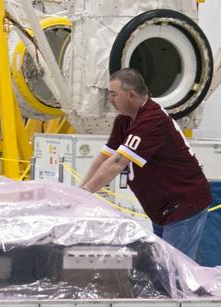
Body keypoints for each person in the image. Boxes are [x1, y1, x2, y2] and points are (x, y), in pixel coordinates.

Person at [79, 68, 212, 259]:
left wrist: (86, 193)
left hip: (183, 204)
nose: (111, 100)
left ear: (130, 95)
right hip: (162, 208)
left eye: (114, 94)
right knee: (164, 267)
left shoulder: (152, 119)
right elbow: (105, 157)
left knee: (174, 268)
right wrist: (81, 190)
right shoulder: (124, 121)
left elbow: (117, 162)